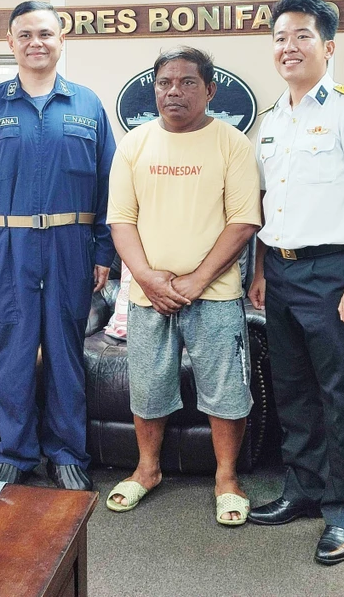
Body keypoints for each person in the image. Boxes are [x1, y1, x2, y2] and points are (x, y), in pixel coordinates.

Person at [247, 0, 344, 564]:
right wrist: (260, 271)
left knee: (342, 394)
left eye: (302, 36)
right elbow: (268, 204)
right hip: (278, 270)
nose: (289, 46)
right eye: (281, 36)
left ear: (328, 47)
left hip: (332, 271)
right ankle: (304, 490)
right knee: (293, 391)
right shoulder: (272, 119)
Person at [0, 0, 116, 490]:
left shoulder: (88, 105)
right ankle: (14, 453)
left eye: (45, 33)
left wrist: (104, 253)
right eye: (25, 35)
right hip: (8, 248)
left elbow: (110, 186)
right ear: (11, 43)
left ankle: (67, 454)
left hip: (71, 246)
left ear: (61, 39)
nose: (36, 43)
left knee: (66, 354)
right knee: (13, 354)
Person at [105, 47, 261, 525]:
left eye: (187, 82)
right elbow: (121, 221)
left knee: (226, 391)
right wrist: (149, 279)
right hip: (148, 295)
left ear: (210, 90)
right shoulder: (133, 145)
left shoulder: (232, 144)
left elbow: (243, 222)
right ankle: (147, 469)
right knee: (149, 389)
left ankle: (226, 479)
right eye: (164, 83)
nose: (174, 91)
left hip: (214, 294)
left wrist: (194, 280)